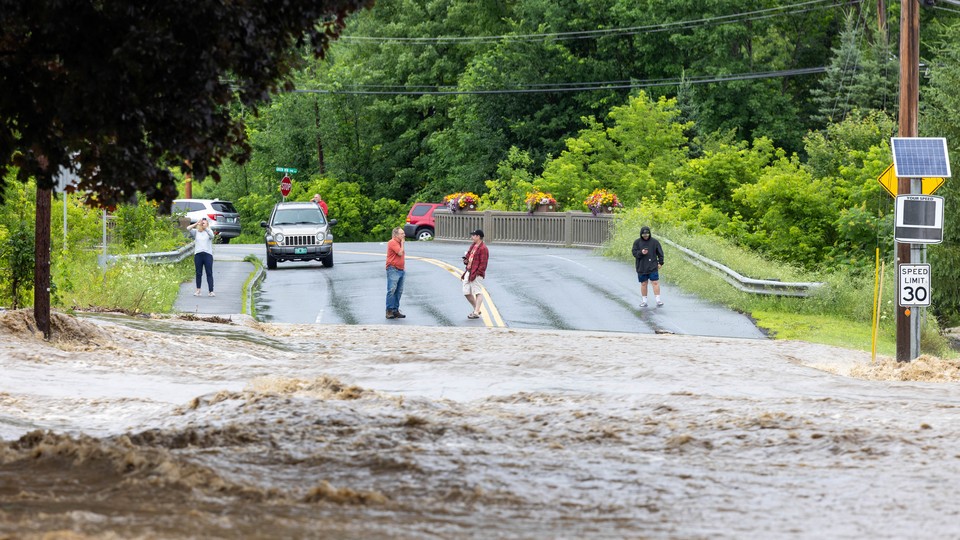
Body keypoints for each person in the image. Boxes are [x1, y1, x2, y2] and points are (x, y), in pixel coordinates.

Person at [632, 226, 664, 307]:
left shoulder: (655, 242)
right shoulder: (637, 242)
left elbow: (660, 253)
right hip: (641, 266)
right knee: (643, 283)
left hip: (653, 265)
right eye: (644, 235)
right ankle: (644, 301)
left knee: (655, 282)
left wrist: (660, 263)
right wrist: (641, 252)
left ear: (649, 234)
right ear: (641, 234)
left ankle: (658, 300)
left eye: (647, 234)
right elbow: (634, 253)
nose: (645, 236)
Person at [462, 229, 489, 320]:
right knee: (466, 292)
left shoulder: (483, 248)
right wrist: (466, 260)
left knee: (477, 292)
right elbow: (469, 256)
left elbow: (483, 264)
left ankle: (476, 312)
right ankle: (476, 309)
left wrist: (478, 273)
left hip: (476, 273)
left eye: (473, 235)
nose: (472, 237)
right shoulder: (473, 245)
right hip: (469, 271)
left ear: (478, 236)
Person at [187, 217, 216, 297]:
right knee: (198, 273)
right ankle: (198, 290)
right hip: (198, 254)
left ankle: (211, 291)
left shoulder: (209, 231)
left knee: (209, 273)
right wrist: (196, 223)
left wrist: (205, 228)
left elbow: (212, 236)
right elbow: (188, 228)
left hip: (207, 254)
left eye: (204, 223)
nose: (203, 224)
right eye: (202, 223)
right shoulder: (196, 232)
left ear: (207, 224)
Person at [385, 227, 406, 319]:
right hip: (393, 269)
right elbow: (400, 253)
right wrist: (402, 243)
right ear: (396, 235)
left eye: (403, 233)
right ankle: (389, 310)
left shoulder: (399, 243)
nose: (404, 235)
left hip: (401, 269)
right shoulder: (392, 242)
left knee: (399, 291)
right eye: (402, 234)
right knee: (392, 290)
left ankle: (395, 310)